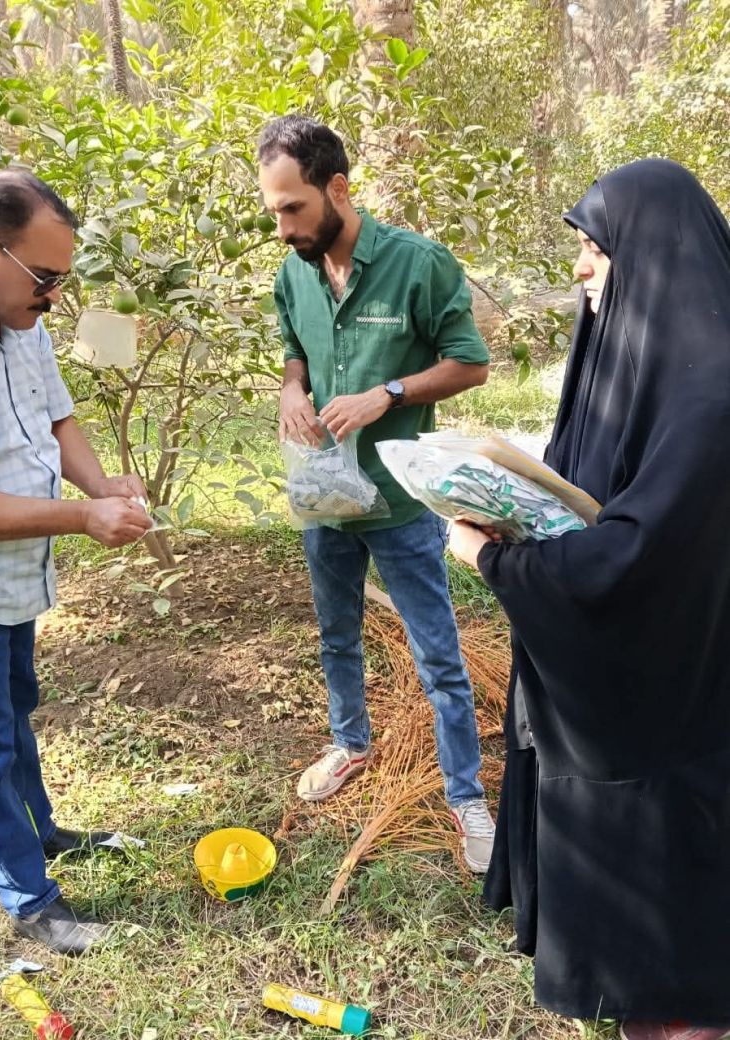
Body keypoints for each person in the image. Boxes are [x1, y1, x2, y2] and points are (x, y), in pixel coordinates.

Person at [449, 159, 730, 1040]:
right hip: (626, 693)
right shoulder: (633, 361)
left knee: (678, 950)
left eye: (595, 248)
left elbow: (640, 556)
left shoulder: (712, 391)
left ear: (649, 254)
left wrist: (499, 566)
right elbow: (588, 489)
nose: (581, 267)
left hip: (676, 702)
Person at [258, 114, 496, 872]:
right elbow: (295, 354)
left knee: (438, 656)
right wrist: (292, 393)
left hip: (396, 502)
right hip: (325, 499)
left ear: (338, 188)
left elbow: (470, 362)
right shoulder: (293, 272)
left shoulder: (417, 265)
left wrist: (386, 393)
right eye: (272, 211)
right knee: (337, 633)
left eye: (293, 208)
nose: (283, 227)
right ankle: (351, 743)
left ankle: (465, 796)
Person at [0, 170, 153, 955]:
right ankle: (33, 903)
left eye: (63, 279)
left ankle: (45, 833)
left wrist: (106, 484)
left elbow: (59, 417)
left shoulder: (19, 319)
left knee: (14, 719)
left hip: (10, 585)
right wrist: (81, 516)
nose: (56, 297)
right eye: (46, 278)